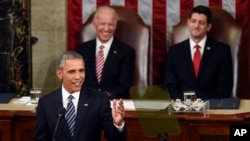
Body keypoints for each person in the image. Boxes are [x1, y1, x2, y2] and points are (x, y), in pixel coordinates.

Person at [33, 51, 127, 141]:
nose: (78, 77)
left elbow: (115, 138)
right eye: (72, 72)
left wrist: (117, 124)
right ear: (60, 74)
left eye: (81, 71)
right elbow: (41, 139)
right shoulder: (46, 103)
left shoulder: (99, 99)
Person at [164, 5, 233, 100]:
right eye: (193, 21)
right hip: (182, 108)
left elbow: (225, 87)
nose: (196, 26)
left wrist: (204, 104)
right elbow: (169, 86)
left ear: (208, 27)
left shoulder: (222, 51)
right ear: (188, 23)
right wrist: (185, 104)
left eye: (201, 23)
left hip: (212, 108)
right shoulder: (175, 51)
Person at [75, 6, 136, 99]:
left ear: (115, 25)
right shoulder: (81, 50)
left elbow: (124, 86)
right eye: (102, 24)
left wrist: (104, 97)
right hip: (85, 102)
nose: (106, 28)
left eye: (110, 24)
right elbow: (75, 79)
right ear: (94, 24)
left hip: (112, 102)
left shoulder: (126, 52)